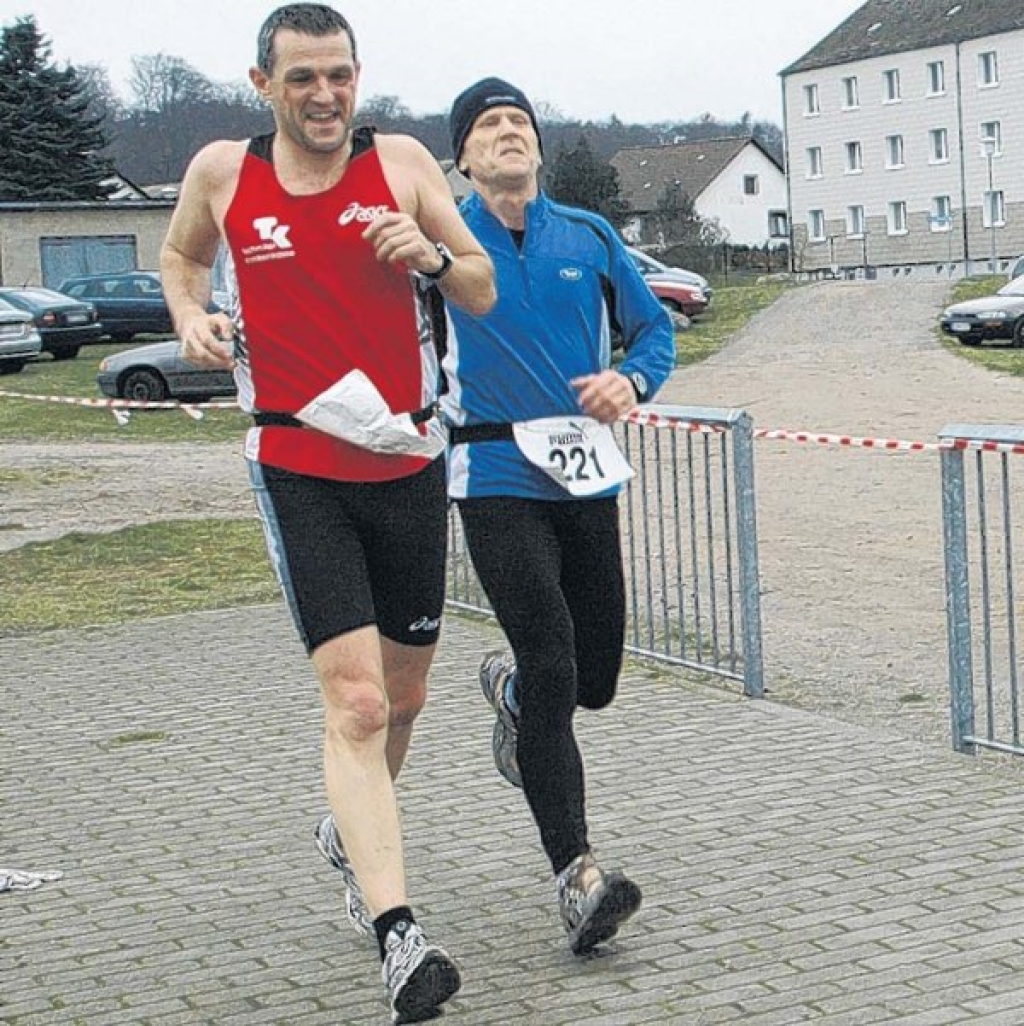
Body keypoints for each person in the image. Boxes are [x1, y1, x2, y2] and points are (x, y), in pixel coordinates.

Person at [159, 6, 495, 1023]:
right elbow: (179, 260)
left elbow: (478, 287)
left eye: (339, 75)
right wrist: (191, 316)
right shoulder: (224, 173)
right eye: (302, 77)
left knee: (405, 699)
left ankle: (347, 828)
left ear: (359, 77)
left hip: (405, 458)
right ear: (261, 82)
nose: (324, 96)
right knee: (352, 704)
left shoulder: (399, 164)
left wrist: (431, 259)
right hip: (297, 457)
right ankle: (398, 932)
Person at [440, 78, 676, 955]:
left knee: (593, 679)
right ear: (463, 156)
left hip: (585, 475)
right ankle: (577, 874)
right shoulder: (444, 240)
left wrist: (633, 379)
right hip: (494, 468)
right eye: (489, 127)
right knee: (551, 657)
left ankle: (508, 693)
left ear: (538, 146)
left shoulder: (588, 234)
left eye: (520, 123)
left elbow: (655, 332)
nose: (508, 133)